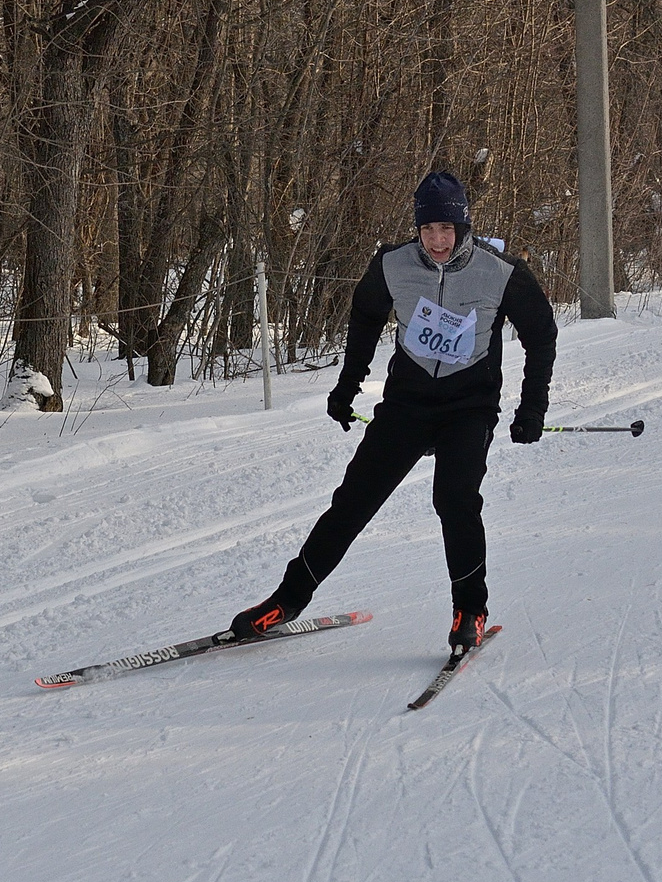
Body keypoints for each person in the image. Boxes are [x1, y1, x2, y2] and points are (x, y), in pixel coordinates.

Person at [230, 171, 558, 654]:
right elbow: (364, 319)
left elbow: (541, 335)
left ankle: (470, 607)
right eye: (428, 231)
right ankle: (287, 599)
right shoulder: (393, 264)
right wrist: (347, 385)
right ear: (417, 229)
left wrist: (533, 407)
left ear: (463, 227)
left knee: (455, 499)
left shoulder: (502, 272)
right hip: (408, 403)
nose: (438, 241)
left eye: (447, 230)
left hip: (469, 406)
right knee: (354, 501)